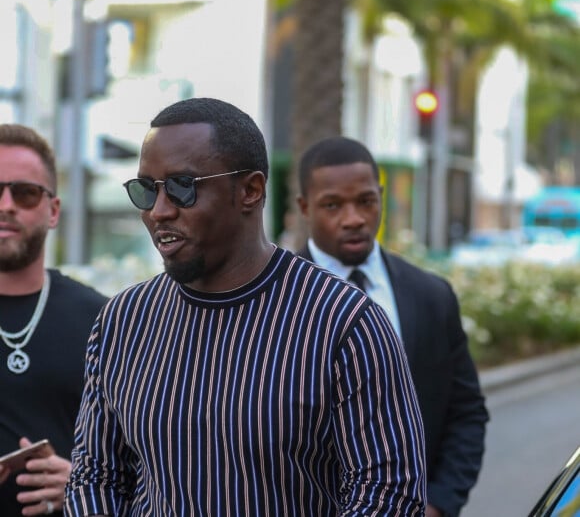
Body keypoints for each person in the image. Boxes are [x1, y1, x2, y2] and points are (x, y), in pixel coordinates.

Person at [64, 97, 426, 516]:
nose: (159, 211)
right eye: (146, 190)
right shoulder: (123, 321)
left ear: (250, 191)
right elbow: (97, 475)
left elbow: (387, 493)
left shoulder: (344, 323)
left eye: (183, 186)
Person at [296, 137, 489, 517]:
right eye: (332, 205)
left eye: (366, 201)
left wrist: (438, 503)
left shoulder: (431, 295)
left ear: (380, 197)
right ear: (305, 207)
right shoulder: (278, 300)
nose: (353, 219)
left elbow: (466, 413)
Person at [0, 124, 108, 516]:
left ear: (54, 211)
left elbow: (145, 457)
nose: (6, 203)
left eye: (25, 193)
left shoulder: (104, 319)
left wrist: (83, 483)